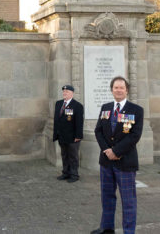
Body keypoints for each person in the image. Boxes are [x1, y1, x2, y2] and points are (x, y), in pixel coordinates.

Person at [91, 76, 144, 234]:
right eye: (116, 87)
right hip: (106, 162)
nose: (119, 90)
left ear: (126, 90)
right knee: (107, 197)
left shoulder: (136, 110)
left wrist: (116, 151)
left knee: (128, 201)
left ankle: (129, 231)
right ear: (112, 90)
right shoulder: (106, 107)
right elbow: (98, 131)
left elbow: (134, 135)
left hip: (125, 163)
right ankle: (107, 228)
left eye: (122, 87)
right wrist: (107, 151)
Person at [52, 84, 84, 183]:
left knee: (73, 157)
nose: (65, 93)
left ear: (72, 93)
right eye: (64, 91)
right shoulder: (58, 103)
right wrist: (56, 133)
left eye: (67, 92)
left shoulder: (77, 106)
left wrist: (78, 136)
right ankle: (65, 173)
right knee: (64, 155)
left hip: (72, 137)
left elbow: (79, 122)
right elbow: (57, 120)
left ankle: (74, 175)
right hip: (62, 135)